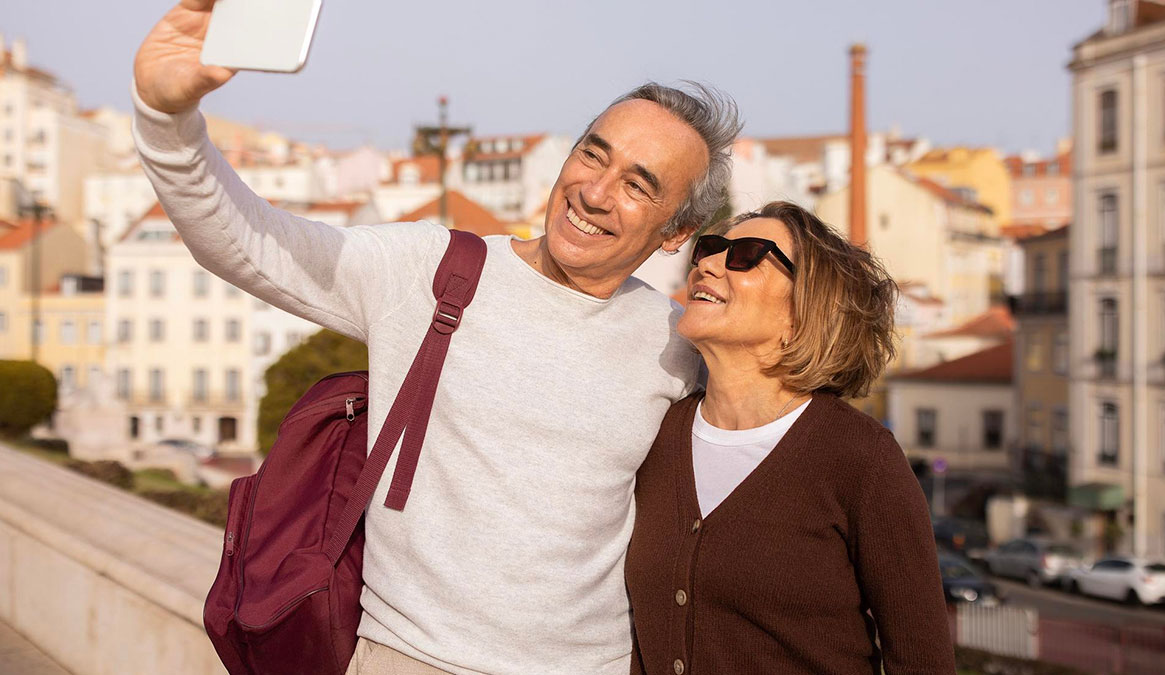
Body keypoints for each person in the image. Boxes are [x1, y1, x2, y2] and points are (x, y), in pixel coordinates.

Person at [132, 2, 741, 673]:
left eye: (636, 185)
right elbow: (248, 242)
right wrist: (167, 119)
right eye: (591, 155)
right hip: (407, 657)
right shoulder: (434, 271)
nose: (594, 192)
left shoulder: (678, 342)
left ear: (676, 231)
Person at [625, 201, 956, 674]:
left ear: (805, 310)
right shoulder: (658, 433)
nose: (708, 263)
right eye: (711, 248)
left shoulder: (860, 458)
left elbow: (922, 661)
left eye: (747, 254)